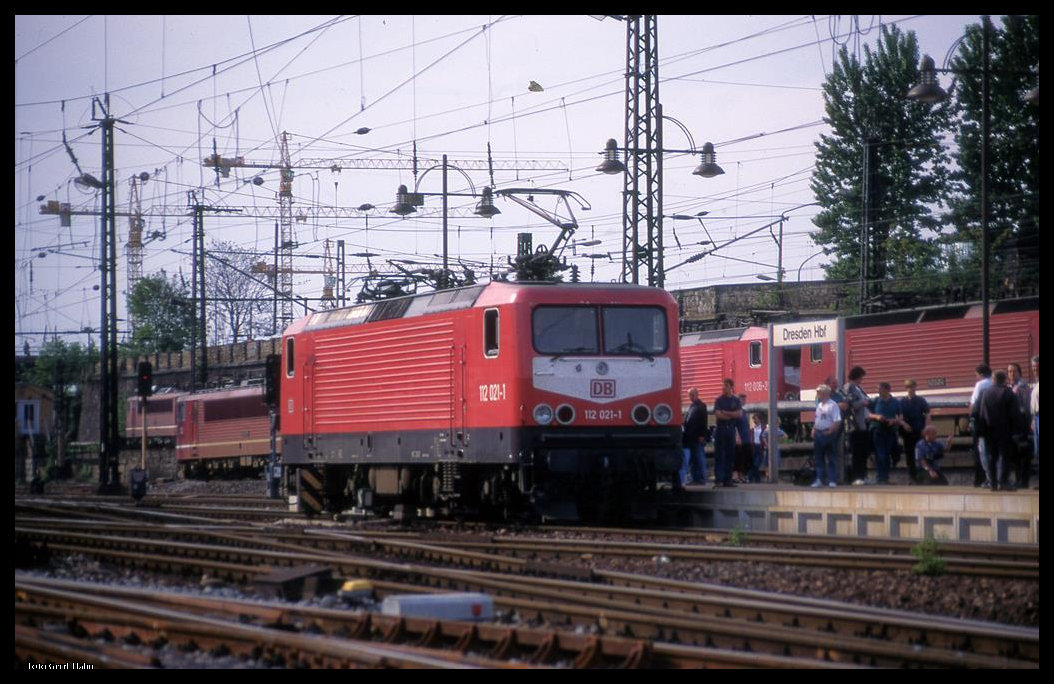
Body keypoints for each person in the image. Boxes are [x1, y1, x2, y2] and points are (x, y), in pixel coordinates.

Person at [979, 370, 1020, 491]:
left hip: (989, 430)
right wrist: (1017, 430)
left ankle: (992, 483)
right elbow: (1015, 413)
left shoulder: (985, 393)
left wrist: (982, 429)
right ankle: (1003, 482)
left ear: (993, 380)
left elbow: (982, 412)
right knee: (1004, 455)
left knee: (991, 456)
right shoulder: (1008, 393)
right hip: (1004, 430)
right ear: (1004, 380)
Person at [867, 382, 903, 485]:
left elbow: (900, 416)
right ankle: (880, 478)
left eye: (880, 389)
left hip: (890, 430)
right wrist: (876, 417)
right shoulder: (875, 401)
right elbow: (867, 414)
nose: (878, 391)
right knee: (880, 454)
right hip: (878, 429)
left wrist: (894, 421)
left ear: (887, 390)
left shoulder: (895, 402)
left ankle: (885, 478)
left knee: (887, 454)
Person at [713, 379, 743, 488]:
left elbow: (739, 414)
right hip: (721, 429)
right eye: (723, 386)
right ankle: (719, 480)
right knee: (720, 454)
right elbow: (718, 414)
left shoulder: (736, 400)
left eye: (725, 386)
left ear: (731, 387)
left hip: (731, 429)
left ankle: (728, 480)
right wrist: (731, 415)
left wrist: (725, 412)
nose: (723, 388)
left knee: (730, 455)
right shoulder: (719, 400)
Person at [843, 366, 871, 485]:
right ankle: (856, 476)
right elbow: (851, 404)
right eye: (861, 377)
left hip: (863, 424)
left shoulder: (858, 388)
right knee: (857, 452)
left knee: (863, 452)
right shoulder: (849, 387)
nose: (862, 380)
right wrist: (863, 402)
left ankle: (863, 476)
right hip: (855, 425)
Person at [899, 379, 930, 483]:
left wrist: (926, 427)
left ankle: (921, 476)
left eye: (912, 387)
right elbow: (899, 416)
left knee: (920, 453)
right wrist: (904, 424)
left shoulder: (921, 400)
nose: (910, 389)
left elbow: (927, 414)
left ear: (915, 387)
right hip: (907, 431)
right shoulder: (902, 402)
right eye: (908, 387)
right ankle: (912, 477)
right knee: (909, 454)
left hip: (918, 430)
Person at [811, 384, 842, 488]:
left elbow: (837, 420)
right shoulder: (819, 405)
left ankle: (832, 479)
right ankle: (820, 478)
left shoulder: (833, 405)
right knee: (819, 458)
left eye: (819, 392)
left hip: (827, 433)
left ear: (825, 393)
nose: (818, 394)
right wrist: (813, 429)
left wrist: (831, 430)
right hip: (818, 432)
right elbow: (817, 419)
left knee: (831, 457)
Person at [1007, 362, 1032, 488]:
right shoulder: (1011, 387)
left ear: (1019, 372)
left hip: (1021, 425)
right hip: (1014, 426)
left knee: (1022, 455)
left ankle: (1023, 481)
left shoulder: (1022, 387)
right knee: (1016, 456)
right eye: (1009, 371)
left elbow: (1025, 408)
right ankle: (1019, 480)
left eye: (1014, 371)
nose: (1011, 374)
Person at [969, 364, 993, 487]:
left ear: (981, 374)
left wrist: (971, 419)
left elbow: (974, 403)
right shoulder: (995, 383)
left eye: (976, 375)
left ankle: (988, 478)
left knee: (983, 452)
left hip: (982, 424)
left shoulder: (981, 385)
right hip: (995, 424)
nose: (976, 378)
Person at [680, 387, 709, 489]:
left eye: (692, 394)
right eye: (689, 395)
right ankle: (695, 478)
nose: (690, 397)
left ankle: (701, 478)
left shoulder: (701, 406)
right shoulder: (691, 407)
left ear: (696, 394)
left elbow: (704, 422)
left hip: (697, 437)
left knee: (699, 458)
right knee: (693, 459)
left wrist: (702, 435)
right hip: (690, 438)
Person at [747, 412, 784, 483]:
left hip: (760, 447)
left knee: (757, 463)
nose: (754, 420)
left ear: (759, 419)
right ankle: (757, 480)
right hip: (754, 446)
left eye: (756, 419)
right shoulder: (752, 429)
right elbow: (751, 437)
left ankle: (749, 477)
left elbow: (766, 436)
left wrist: (767, 444)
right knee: (753, 463)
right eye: (754, 419)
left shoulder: (764, 428)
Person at [733, 394, 751, 483]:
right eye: (742, 399)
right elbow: (734, 425)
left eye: (744, 399)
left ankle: (742, 476)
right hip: (739, 438)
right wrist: (737, 436)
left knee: (745, 458)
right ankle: (735, 476)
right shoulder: (735, 412)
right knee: (737, 457)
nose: (744, 401)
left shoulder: (743, 411)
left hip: (746, 438)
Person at [1030, 355, 1039, 488]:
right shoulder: (1037, 384)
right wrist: (1032, 419)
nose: (1035, 370)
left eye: (1037, 367)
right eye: (1033, 367)